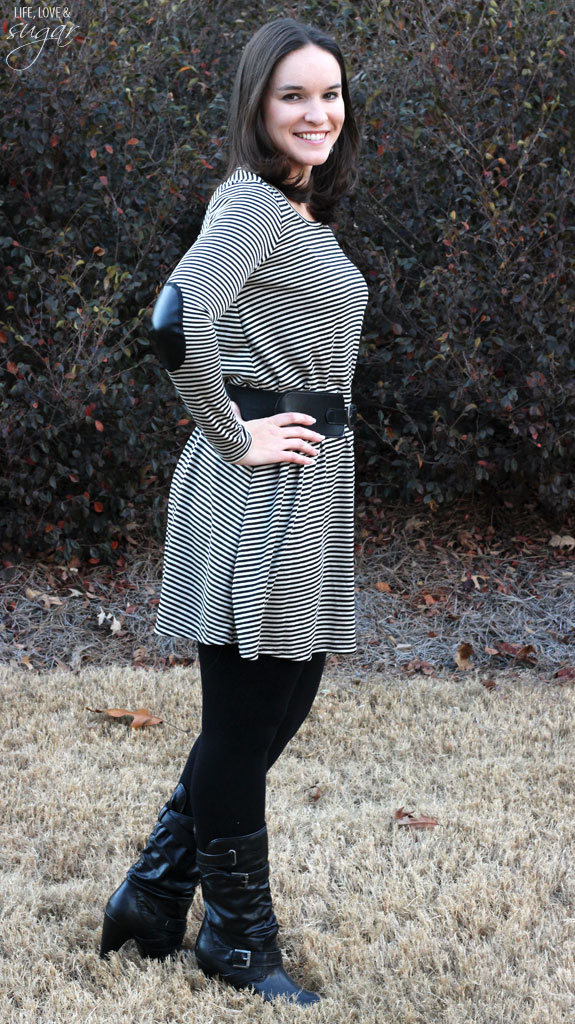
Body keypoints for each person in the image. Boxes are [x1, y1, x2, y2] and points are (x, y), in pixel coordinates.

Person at [99, 16, 368, 1006]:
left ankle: (154, 892)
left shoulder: (297, 216)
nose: (316, 111)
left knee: (270, 712)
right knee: (243, 717)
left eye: (328, 92)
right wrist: (234, 433)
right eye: (292, 94)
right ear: (256, 105)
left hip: (303, 483)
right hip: (257, 481)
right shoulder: (251, 203)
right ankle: (237, 941)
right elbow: (175, 320)